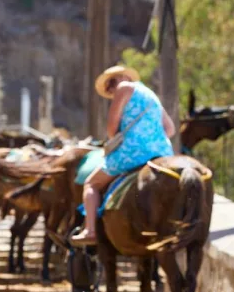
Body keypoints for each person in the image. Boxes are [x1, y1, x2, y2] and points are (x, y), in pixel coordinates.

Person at [71, 65, 176, 246]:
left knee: (91, 183)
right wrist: (151, 138)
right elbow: (170, 129)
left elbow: (112, 130)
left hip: (133, 152)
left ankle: (90, 230)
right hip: (163, 152)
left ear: (120, 79)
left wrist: (134, 139)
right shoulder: (151, 95)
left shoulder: (124, 88)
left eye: (110, 84)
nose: (111, 90)